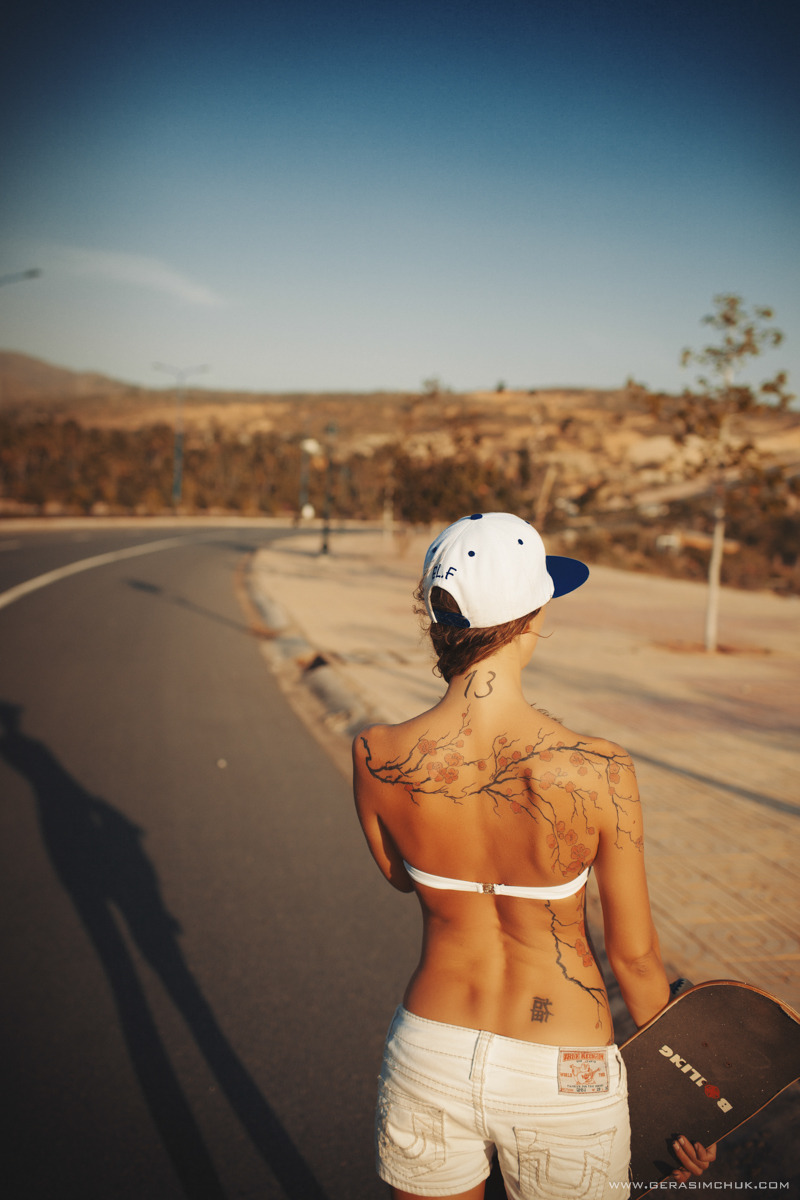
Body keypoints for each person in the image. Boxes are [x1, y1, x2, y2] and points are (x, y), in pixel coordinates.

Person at [353, 513, 716, 1200]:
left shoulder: (375, 755)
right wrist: (689, 1094)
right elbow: (635, 960)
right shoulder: (600, 769)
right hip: (564, 1068)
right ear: (533, 615)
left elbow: (401, 878)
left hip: (432, 1047)